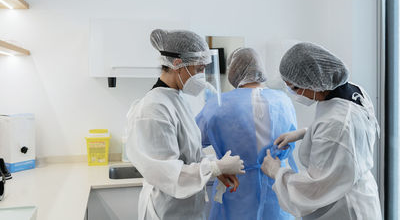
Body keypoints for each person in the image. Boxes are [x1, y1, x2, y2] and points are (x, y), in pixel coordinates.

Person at [126, 29, 245, 220]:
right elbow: (167, 172)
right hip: (165, 211)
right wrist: (214, 168)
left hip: (186, 208)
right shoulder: (154, 108)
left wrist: (213, 172)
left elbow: (189, 157)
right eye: (199, 69)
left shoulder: (176, 99)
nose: (202, 76)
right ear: (177, 64)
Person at [261, 42, 382, 219]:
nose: (295, 94)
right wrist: (306, 132)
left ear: (315, 82)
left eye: (295, 88)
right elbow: (351, 133)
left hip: (343, 207)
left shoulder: (336, 125)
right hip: (360, 193)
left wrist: (277, 172)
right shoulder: (353, 91)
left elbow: (312, 190)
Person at [196, 47, 297, 220]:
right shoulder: (283, 101)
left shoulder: (218, 104)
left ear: (233, 71)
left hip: (236, 192)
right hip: (277, 191)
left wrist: (214, 164)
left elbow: (191, 141)